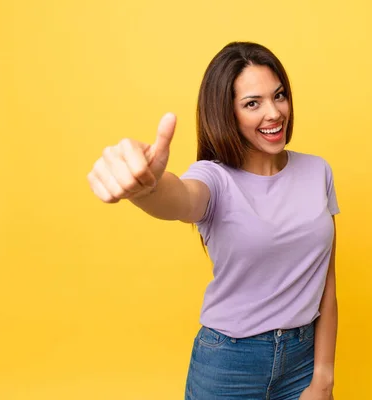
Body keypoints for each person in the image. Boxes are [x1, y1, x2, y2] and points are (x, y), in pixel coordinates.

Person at [87, 42, 339, 400]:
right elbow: (179, 198)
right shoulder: (214, 179)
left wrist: (323, 379)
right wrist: (145, 187)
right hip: (230, 363)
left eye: (279, 95)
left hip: (303, 360)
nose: (274, 113)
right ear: (227, 113)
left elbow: (326, 281)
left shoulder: (318, 171)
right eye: (253, 103)